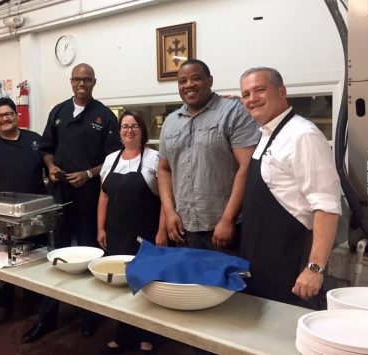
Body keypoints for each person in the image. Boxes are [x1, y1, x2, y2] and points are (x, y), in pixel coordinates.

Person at [23, 63, 121, 342]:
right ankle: (48, 318)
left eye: (87, 79)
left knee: (91, 256)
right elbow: (46, 150)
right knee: (56, 256)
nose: (82, 83)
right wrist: (51, 167)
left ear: (94, 82)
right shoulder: (58, 112)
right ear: (71, 81)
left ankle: (91, 315)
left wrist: (89, 173)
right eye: (77, 79)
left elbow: (113, 159)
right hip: (60, 196)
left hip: (89, 198)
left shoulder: (104, 117)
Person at [238, 67, 342, 308]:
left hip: (289, 265)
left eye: (259, 90)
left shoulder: (302, 135)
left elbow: (326, 206)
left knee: (285, 340)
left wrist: (314, 268)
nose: (252, 98)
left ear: (282, 91)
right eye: (246, 94)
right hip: (258, 265)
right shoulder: (266, 133)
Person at [0, 97, 56, 326]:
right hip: (1, 216)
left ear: (17, 116)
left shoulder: (34, 140)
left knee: (35, 258)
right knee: (1, 260)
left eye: (9, 114)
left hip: (34, 214)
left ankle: (33, 299)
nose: (5, 119)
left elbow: (50, 165)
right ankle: (3, 304)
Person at [158, 59, 260, 252]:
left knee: (225, 282)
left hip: (224, 229)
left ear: (210, 80)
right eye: (182, 81)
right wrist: (170, 213)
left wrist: (227, 220)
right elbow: (164, 170)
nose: (188, 84)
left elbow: (246, 167)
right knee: (187, 282)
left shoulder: (233, 112)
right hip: (183, 229)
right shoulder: (170, 121)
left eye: (196, 78)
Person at [97, 111, 167, 354]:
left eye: (135, 126)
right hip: (116, 233)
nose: (129, 130)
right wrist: (100, 228)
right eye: (125, 126)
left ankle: (147, 336)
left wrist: (161, 231)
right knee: (121, 284)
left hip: (145, 234)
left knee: (146, 285)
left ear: (142, 131)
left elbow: (166, 199)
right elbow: (104, 195)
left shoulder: (155, 158)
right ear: (119, 132)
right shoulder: (110, 160)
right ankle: (122, 333)